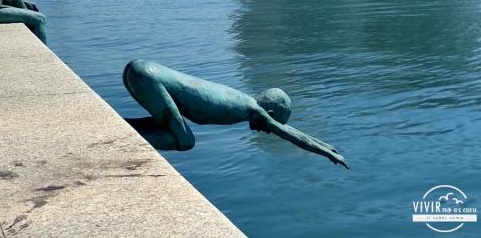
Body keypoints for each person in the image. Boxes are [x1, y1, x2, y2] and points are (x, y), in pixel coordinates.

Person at [122, 60, 348, 168]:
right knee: (185, 141)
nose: (266, 129)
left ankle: (121, 128)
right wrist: (326, 152)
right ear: (268, 113)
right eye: (270, 124)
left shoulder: (240, 98)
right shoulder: (252, 110)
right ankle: (121, 139)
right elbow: (290, 134)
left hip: (143, 70)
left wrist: (326, 144)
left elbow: (288, 130)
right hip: (148, 78)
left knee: (173, 128)